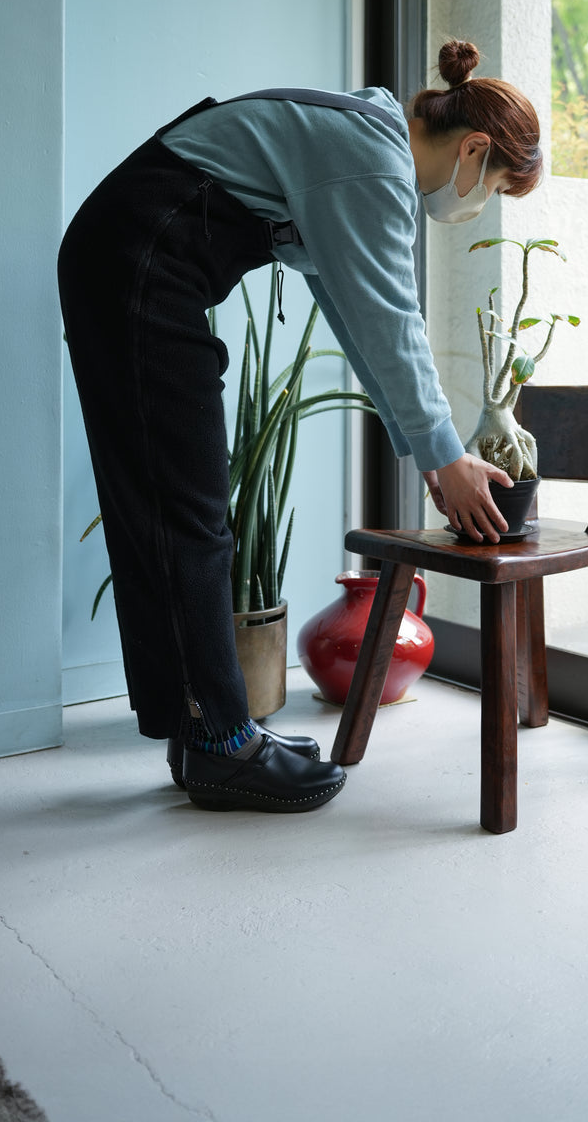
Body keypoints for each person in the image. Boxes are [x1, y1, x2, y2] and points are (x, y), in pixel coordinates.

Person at [59, 40, 543, 815]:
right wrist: (446, 452)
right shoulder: (372, 160)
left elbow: (352, 314)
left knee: (166, 506)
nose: (475, 206)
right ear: (475, 149)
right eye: (491, 189)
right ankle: (221, 746)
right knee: (187, 512)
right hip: (139, 261)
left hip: (128, 258)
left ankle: (204, 733)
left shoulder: (359, 142)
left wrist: (426, 452)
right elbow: (392, 318)